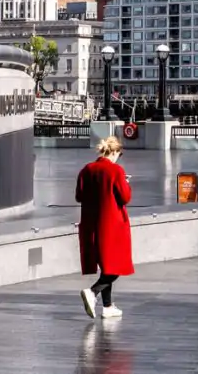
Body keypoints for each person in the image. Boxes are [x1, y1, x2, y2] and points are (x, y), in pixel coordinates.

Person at [76, 136, 133, 319]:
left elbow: (79, 196)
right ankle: (92, 292)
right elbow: (125, 197)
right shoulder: (116, 171)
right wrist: (126, 183)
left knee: (106, 265)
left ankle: (108, 307)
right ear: (114, 152)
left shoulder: (87, 170)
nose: (119, 157)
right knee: (116, 267)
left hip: (92, 225)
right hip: (112, 225)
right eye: (119, 153)